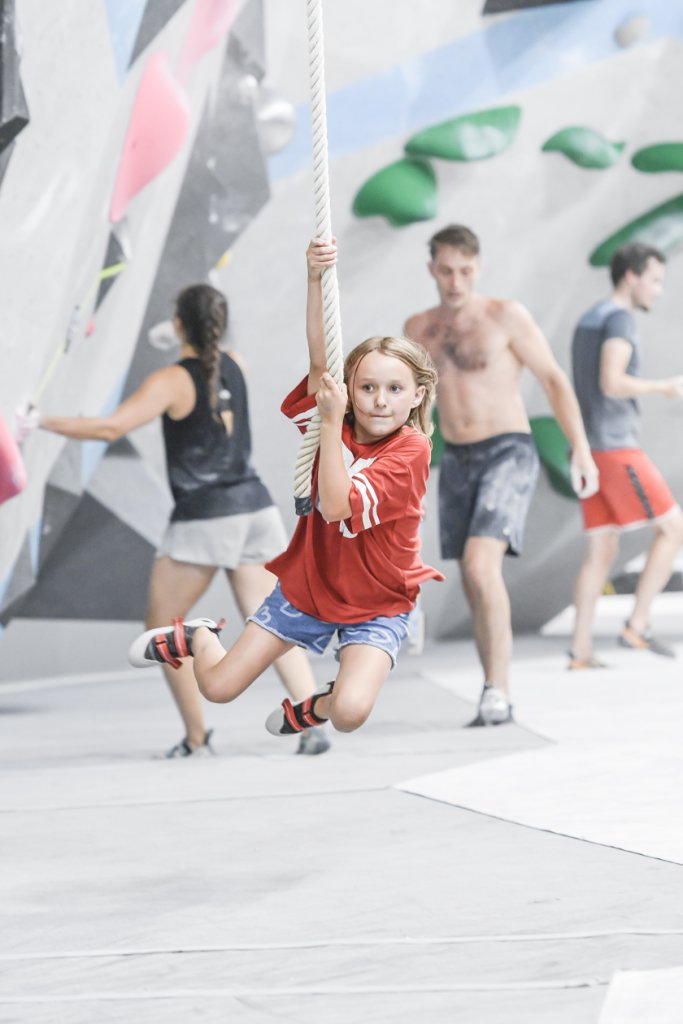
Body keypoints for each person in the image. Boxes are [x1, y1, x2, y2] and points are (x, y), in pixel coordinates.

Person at [127, 238, 443, 738]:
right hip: (310, 590)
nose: (380, 401)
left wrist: (333, 417)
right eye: (367, 388)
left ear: (417, 395)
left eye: (394, 390)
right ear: (352, 390)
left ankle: (316, 706)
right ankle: (199, 636)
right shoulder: (332, 420)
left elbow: (337, 505)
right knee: (218, 687)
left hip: (378, 602)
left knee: (350, 713)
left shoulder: (410, 452)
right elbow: (321, 359)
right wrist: (316, 279)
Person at [30, 283, 330, 757]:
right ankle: (311, 722)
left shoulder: (172, 380)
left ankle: (196, 736)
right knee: (272, 623)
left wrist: (42, 420)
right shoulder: (238, 365)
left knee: (161, 626)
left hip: (206, 518)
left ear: (178, 326)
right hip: (256, 510)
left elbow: (111, 427)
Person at [404, 224, 598, 725]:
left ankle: (500, 688)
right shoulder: (418, 328)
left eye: (465, 270)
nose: (455, 280)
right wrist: (406, 469)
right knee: (473, 580)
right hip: (459, 460)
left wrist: (581, 450)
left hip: (508, 451)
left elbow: (553, 378)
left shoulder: (504, 316)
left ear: (478, 267)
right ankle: (492, 687)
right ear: (432, 270)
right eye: (446, 270)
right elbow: (418, 408)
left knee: (478, 564)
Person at [569, 242, 683, 667]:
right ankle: (637, 624)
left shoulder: (590, 318)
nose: (658, 290)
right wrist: (664, 387)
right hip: (615, 447)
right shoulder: (619, 318)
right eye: (654, 280)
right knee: (674, 529)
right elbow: (612, 381)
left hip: (587, 449)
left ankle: (580, 650)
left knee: (601, 552)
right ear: (631, 276)